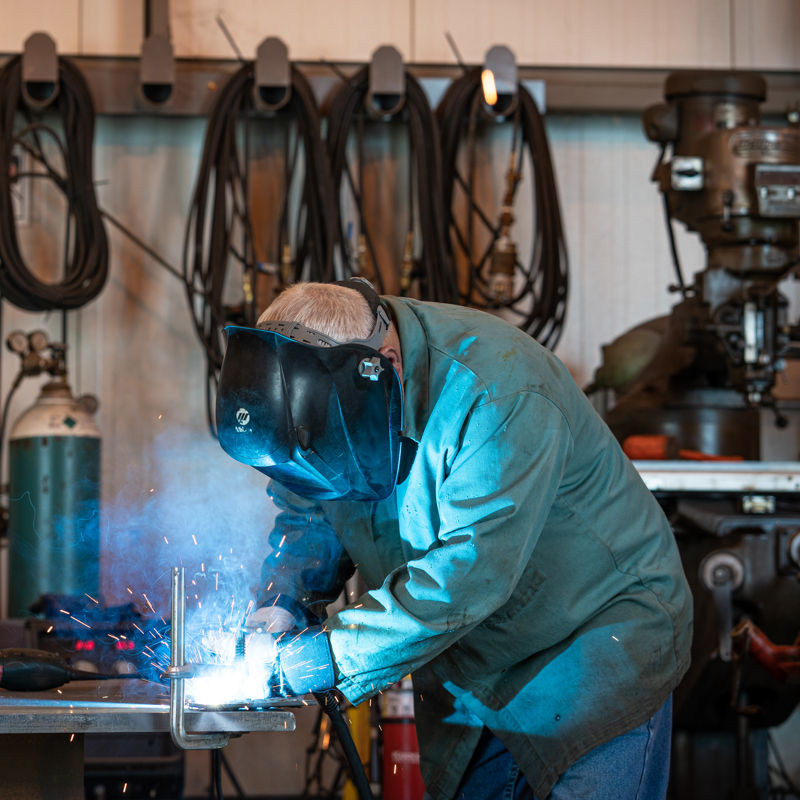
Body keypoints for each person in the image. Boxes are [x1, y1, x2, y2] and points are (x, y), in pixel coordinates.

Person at [215, 279, 692, 800]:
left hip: (588, 650)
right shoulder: (330, 403)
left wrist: (329, 657)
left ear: (387, 367)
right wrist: (284, 600)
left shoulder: (497, 391)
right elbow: (308, 503)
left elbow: (468, 574)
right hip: (467, 669)